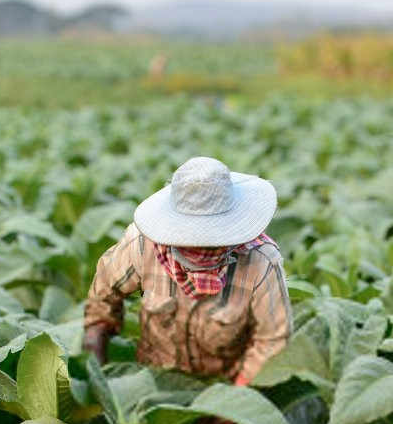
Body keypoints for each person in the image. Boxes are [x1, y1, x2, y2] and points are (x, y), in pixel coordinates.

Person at [83, 156, 290, 388]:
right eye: (191, 237)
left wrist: (234, 401)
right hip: (155, 384)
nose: (201, 246)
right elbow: (103, 294)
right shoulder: (142, 245)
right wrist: (97, 343)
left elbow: (271, 341)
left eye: (212, 238)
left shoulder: (260, 260)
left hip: (223, 387)